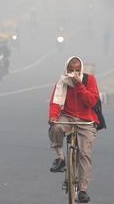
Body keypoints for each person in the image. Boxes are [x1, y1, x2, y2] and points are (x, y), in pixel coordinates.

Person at [48, 56, 100, 203]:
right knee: (55, 128)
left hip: (86, 119)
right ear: (66, 69)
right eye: (71, 70)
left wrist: (79, 85)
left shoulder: (89, 80)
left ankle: (83, 190)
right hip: (68, 117)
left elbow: (91, 101)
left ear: (81, 69)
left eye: (77, 70)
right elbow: (55, 102)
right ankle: (60, 158)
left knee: (85, 153)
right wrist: (53, 117)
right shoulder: (62, 81)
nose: (74, 73)